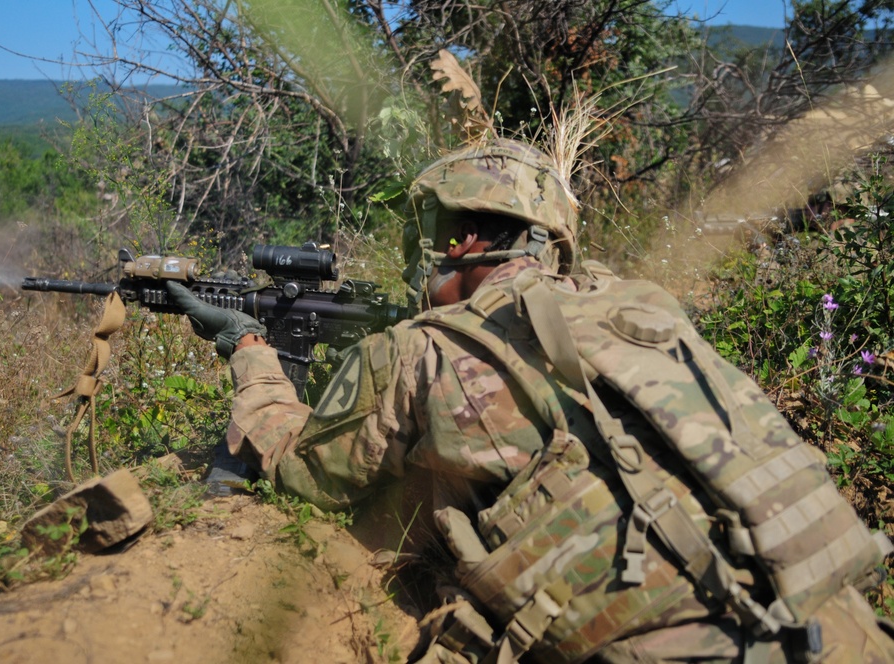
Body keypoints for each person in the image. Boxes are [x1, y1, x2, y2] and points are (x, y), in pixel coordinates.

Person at [166, 139, 894, 663]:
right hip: (837, 623)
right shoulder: (641, 307)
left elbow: (300, 474)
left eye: (433, 233)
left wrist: (252, 353)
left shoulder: (425, 351)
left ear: (464, 237)